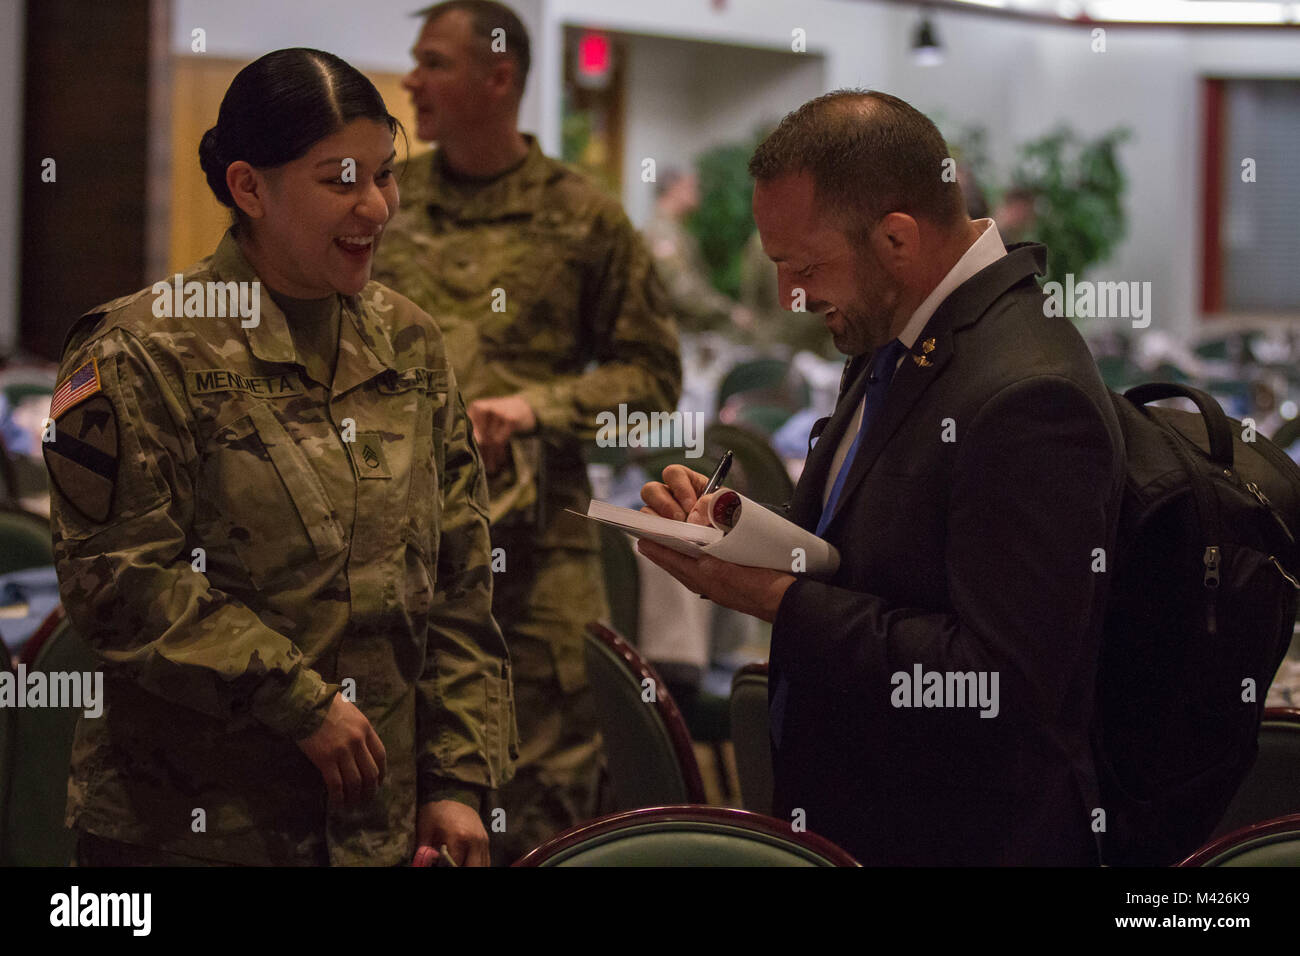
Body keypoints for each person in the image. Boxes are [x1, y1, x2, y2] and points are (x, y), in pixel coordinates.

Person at [43, 48, 515, 867]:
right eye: (340, 181)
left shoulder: (408, 341)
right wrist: (298, 701)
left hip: (375, 830)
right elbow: (119, 578)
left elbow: (459, 583)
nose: (376, 207)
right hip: (191, 830)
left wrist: (456, 780)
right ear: (249, 188)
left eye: (386, 175)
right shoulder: (143, 349)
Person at [637, 90, 1125, 866]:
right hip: (856, 815)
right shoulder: (897, 330)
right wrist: (732, 530)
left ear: (897, 237)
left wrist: (776, 600)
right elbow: (861, 554)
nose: (789, 297)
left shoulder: (1031, 390)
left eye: (804, 266)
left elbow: (998, 685)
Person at [372, 1, 681, 864]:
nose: (410, 81)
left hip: (537, 559)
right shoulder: (384, 206)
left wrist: (536, 408)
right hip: (394, 550)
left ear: (498, 77)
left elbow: (654, 377)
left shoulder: (584, 218)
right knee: (401, 801)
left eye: (432, 62)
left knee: (543, 808)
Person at [643, 169, 752, 337]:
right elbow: (681, 289)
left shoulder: (675, 231)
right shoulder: (662, 233)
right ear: (674, 189)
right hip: (671, 334)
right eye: (690, 187)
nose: (697, 193)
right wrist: (728, 310)